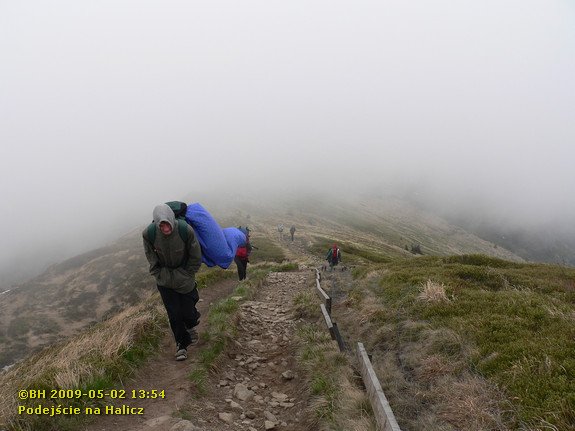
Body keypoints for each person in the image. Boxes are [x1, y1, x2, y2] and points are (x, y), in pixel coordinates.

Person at [143, 204, 202, 361]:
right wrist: (157, 273)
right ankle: (181, 345)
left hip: (184, 277)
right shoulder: (149, 234)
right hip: (165, 280)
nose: (165, 228)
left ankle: (190, 323)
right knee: (174, 314)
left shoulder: (185, 230)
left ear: (171, 220)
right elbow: (150, 255)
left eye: (167, 223)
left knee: (189, 313)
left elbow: (196, 255)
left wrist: (188, 273)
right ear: (157, 224)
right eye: (161, 225)